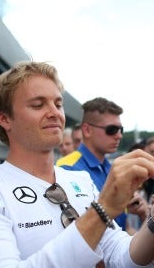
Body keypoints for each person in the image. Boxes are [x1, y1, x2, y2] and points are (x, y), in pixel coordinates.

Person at [0, 61, 154, 267]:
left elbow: (118, 255)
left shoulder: (78, 181)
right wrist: (103, 209)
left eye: (57, 104)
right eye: (38, 105)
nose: (54, 113)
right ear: (4, 118)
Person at [56, 97, 129, 231]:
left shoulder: (112, 168)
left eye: (120, 130)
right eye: (112, 129)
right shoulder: (68, 168)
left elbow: (125, 228)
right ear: (87, 130)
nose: (119, 135)